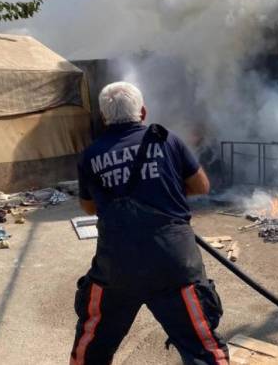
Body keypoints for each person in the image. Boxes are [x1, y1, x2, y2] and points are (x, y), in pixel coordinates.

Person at [70, 81, 229, 365]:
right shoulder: (168, 140)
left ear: (104, 118)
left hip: (116, 267)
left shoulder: (91, 156)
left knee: (91, 350)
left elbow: (89, 206)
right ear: (142, 112)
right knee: (203, 350)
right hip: (174, 262)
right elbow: (202, 186)